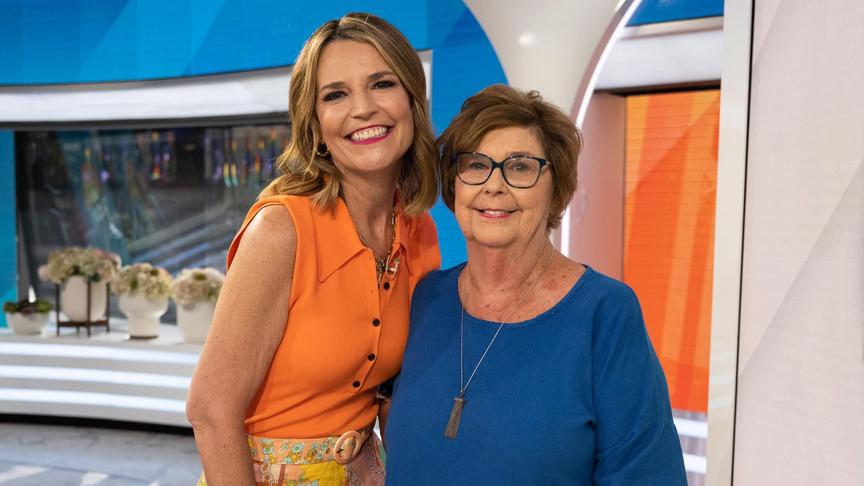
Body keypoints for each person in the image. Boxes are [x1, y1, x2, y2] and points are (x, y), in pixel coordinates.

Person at [384, 85, 687, 485]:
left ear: (556, 189)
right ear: (454, 185)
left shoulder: (606, 315)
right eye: (475, 165)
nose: (494, 185)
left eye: (520, 167)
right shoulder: (424, 297)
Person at [186, 13, 440, 486]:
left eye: (382, 83)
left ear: (411, 99)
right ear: (317, 126)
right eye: (335, 95)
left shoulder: (419, 229)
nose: (363, 108)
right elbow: (210, 409)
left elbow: (392, 394)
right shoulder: (280, 229)